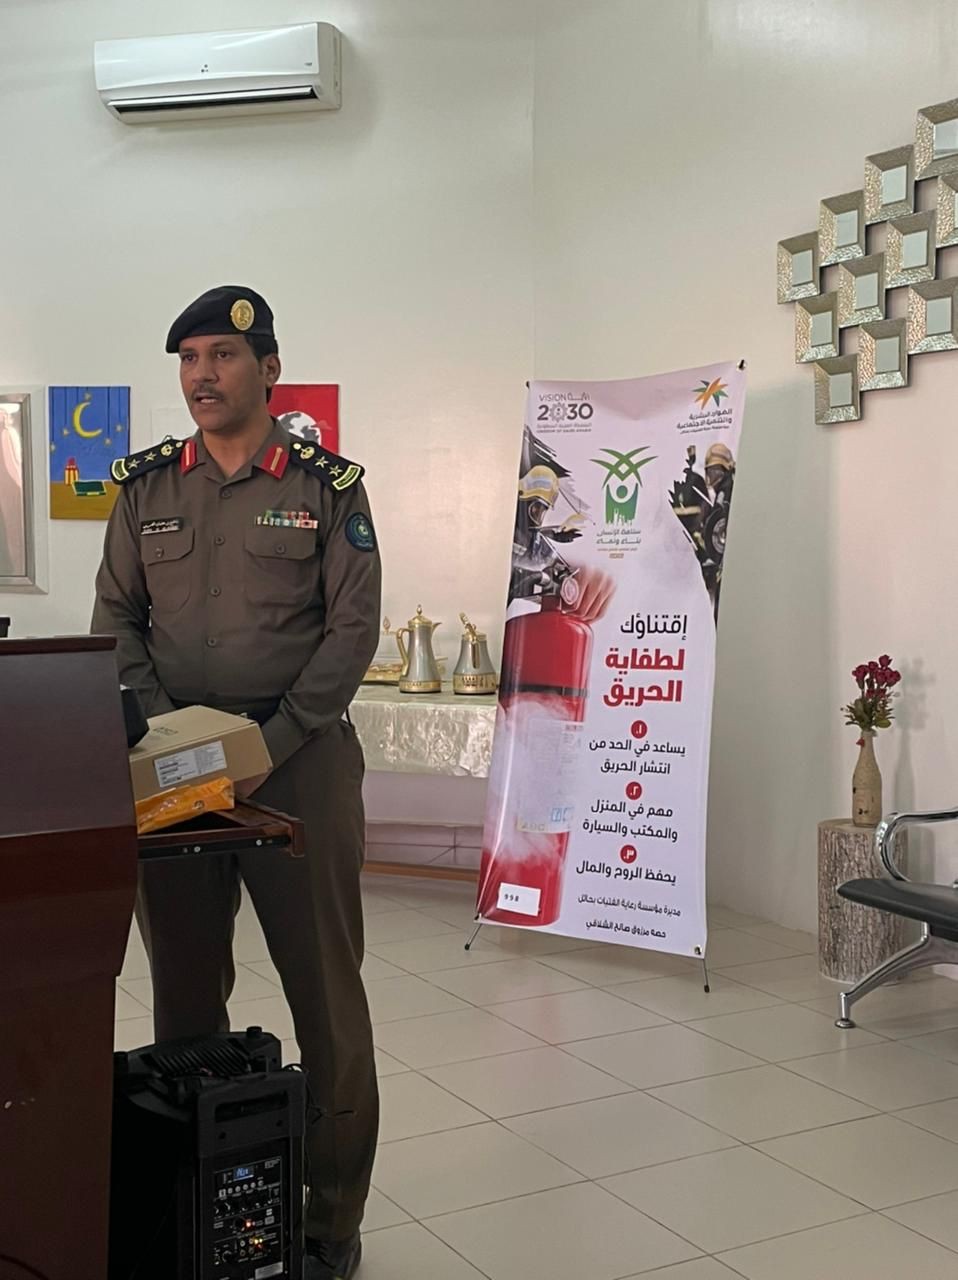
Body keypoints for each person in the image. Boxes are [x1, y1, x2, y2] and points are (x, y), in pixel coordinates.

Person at [92, 285, 380, 1280]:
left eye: (221, 355)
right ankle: (197, 1203)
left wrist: (272, 737)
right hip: (175, 771)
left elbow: (352, 627)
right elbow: (115, 618)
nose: (202, 375)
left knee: (326, 997)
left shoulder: (325, 485)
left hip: (300, 763)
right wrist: (170, 732)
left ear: (268, 370)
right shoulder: (146, 489)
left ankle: (328, 1219)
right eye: (189, 358)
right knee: (182, 997)